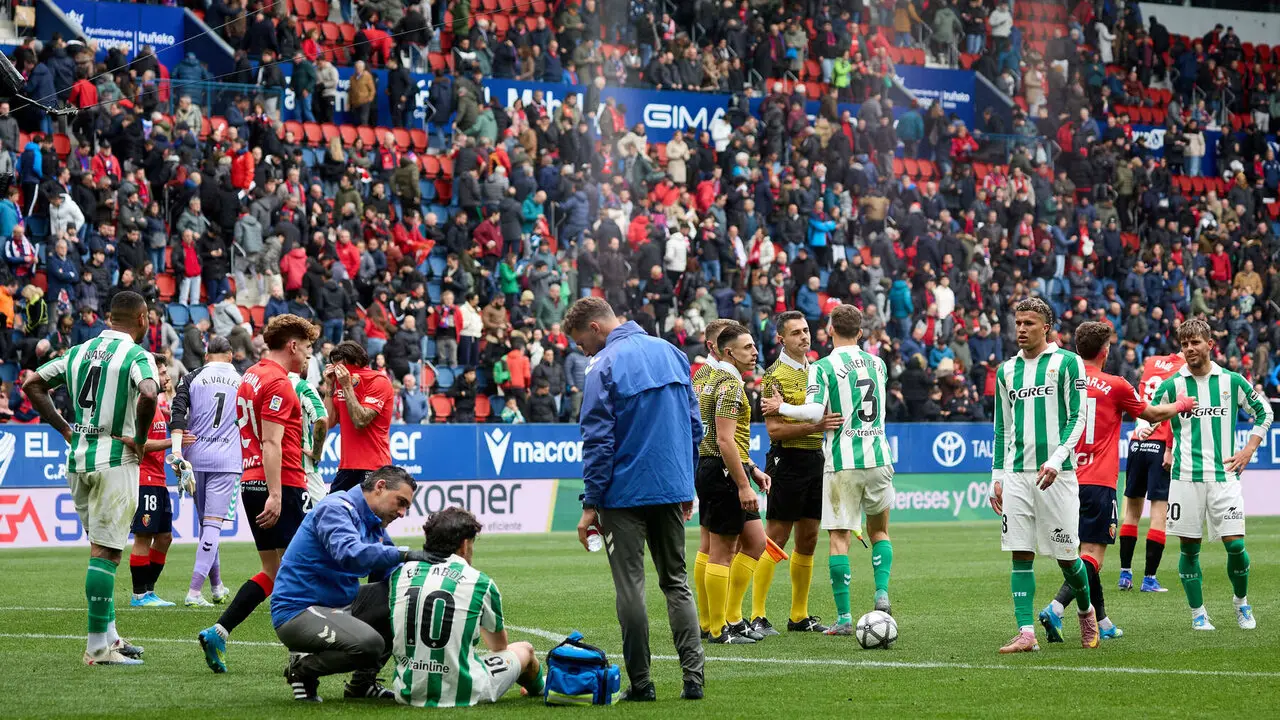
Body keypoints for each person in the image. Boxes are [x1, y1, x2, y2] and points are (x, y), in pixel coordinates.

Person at [566, 297, 705, 701]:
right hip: (670, 489)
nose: (582, 351)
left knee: (630, 588)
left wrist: (590, 503)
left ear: (595, 328)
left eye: (581, 342)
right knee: (676, 582)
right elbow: (694, 427)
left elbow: (597, 441)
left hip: (622, 494)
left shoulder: (602, 366)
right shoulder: (674, 353)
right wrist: (685, 484)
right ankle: (693, 679)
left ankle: (642, 684)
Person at [23, 290, 160, 665]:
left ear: (110, 317)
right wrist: (143, 439)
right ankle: (98, 647)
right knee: (107, 553)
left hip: (79, 459)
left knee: (100, 547)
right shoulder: (137, 355)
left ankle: (110, 636)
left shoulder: (79, 351)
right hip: (114, 461)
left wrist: (65, 428)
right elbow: (148, 392)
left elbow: (32, 383)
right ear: (143, 319)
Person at [1037, 322, 1194, 643]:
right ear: (1106, 351)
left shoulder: (1061, 382)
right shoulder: (1117, 385)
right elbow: (1150, 415)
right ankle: (1056, 606)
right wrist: (1180, 405)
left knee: (1080, 553)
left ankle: (1103, 621)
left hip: (1063, 478)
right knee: (1092, 556)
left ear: (1077, 348)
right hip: (1098, 482)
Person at [198, 315, 319, 673]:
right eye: (308, 348)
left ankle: (219, 630)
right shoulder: (279, 383)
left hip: (250, 482)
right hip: (279, 484)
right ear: (293, 346)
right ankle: (300, 654)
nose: (310, 355)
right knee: (302, 570)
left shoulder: (250, 376)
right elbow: (271, 442)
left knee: (272, 569)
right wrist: (278, 494)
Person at [767, 305, 895, 633]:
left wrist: (779, 406)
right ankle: (881, 594)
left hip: (844, 463)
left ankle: (844, 619)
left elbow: (812, 413)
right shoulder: (878, 364)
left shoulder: (822, 367)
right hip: (880, 457)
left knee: (839, 539)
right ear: (862, 332)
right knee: (879, 532)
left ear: (829, 329)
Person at [987, 298, 1096, 653]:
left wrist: (1056, 458)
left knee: (1067, 556)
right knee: (1020, 552)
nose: (1021, 329)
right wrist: (996, 475)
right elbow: (1002, 428)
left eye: (1029, 323)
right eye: (1018, 322)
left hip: (1058, 474)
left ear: (1046, 327)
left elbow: (1077, 417)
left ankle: (1085, 611)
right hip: (1018, 476)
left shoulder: (1067, 363)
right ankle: (1026, 633)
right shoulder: (1006, 371)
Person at [1155, 318, 1272, 631]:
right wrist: (1145, 429)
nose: (1190, 349)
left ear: (1210, 344)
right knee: (1189, 549)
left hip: (1224, 477)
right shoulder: (1172, 386)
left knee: (1235, 546)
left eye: (1195, 342)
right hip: (1184, 479)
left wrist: (1249, 450)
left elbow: (1265, 412)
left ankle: (1241, 603)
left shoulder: (1231, 381)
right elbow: (1149, 415)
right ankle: (1198, 612)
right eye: (1184, 344)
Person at [272, 466, 420, 702]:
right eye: (400, 502)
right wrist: (404, 554)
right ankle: (302, 670)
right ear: (380, 487)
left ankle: (362, 685)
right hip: (298, 612)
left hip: (340, 605)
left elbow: (392, 572)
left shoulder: (373, 522)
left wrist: (428, 577)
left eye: (406, 507)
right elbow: (350, 554)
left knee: (407, 597)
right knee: (370, 645)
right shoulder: (335, 508)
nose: (402, 512)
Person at [390, 506, 546, 707]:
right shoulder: (479, 582)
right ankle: (540, 688)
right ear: (464, 545)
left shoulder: (399, 575)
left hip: (407, 692)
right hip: (463, 691)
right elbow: (498, 646)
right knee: (525, 649)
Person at [749, 311, 841, 635]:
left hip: (815, 459)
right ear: (781, 339)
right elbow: (774, 430)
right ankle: (757, 614)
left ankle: (798, 616)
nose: (805, 337)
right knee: (775, 538)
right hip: (786, 461)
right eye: (796, 333)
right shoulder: (774, 376)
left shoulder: (818, 369)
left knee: (809, 539)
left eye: (806, 330)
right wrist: (816, 425)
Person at [697, 322, 772, 644]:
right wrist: (743, 484)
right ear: (728, 351)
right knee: (722, 551)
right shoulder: (728, 384)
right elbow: (724, 440)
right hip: (722, 471)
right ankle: (717, 628)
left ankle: (731, 618)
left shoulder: (713, 379)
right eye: (747, 348)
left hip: (724, 467)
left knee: (755, 542)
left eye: (754, 346)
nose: (754, 352)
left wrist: (751, 467)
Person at [169, 336, 242, 608]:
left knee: (206, 527)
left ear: (207, 355)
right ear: (232, 356)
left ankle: (217, 586)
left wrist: (177, 451)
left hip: (195, 458)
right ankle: (194, 592)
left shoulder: (192, 378)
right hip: (227, 459)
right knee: (212, 526)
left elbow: (177, 413)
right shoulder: (243, 380)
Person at [1118, 349, 1187, 592]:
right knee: (1159, 515)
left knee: (1131, 514)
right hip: (1159, 443)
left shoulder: (1149, 362)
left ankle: (1125, 575)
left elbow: (1142, 402)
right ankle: (1149, 579)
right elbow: (1173, 414)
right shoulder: (1183, 370)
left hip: (1137, 441)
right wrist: (1170, 448)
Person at [128, 358, 177, 608]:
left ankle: (149, 591)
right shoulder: (141, 403)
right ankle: (139, 595)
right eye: (163, 373)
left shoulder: (157, 405)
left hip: (159, 479)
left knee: (165, 536)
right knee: (143, 536)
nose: (167, 378)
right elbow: (138, 444)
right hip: (143, 479)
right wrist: (174, 443)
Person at [325, 341, 394, 493]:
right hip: (346, 466)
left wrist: (346, 386)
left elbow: (360, 420)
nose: (338, 373)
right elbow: (328, 422)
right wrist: (329, 388)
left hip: (374, 466)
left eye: (341, 368)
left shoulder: (378, 381)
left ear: (356, 362)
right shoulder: (340, 382)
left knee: (367, 515)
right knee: (334, 513)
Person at [291, 370, 328, 511]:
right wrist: (316, 453)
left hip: (269, 468)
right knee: (325, 516)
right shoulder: (301, 385)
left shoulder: (261, 381)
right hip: (303, 465)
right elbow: (322, 420)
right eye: (307, 354)